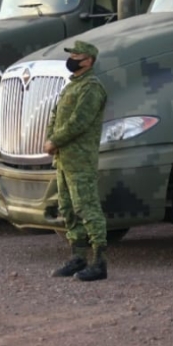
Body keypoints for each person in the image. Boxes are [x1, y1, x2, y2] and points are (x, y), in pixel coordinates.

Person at [45, 40, 109, 282]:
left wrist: (55, 141)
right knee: (68, 209)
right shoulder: (72, 86)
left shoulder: (92, 88)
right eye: (71, 54)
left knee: (87, 208)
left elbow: (79, 122)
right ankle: (78, 257)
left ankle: (99, 263)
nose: (71, 58)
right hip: (64, 158)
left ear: (88, 60)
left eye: (76, 55)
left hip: (80, 159)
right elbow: (56, 114)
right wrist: (51, 138)